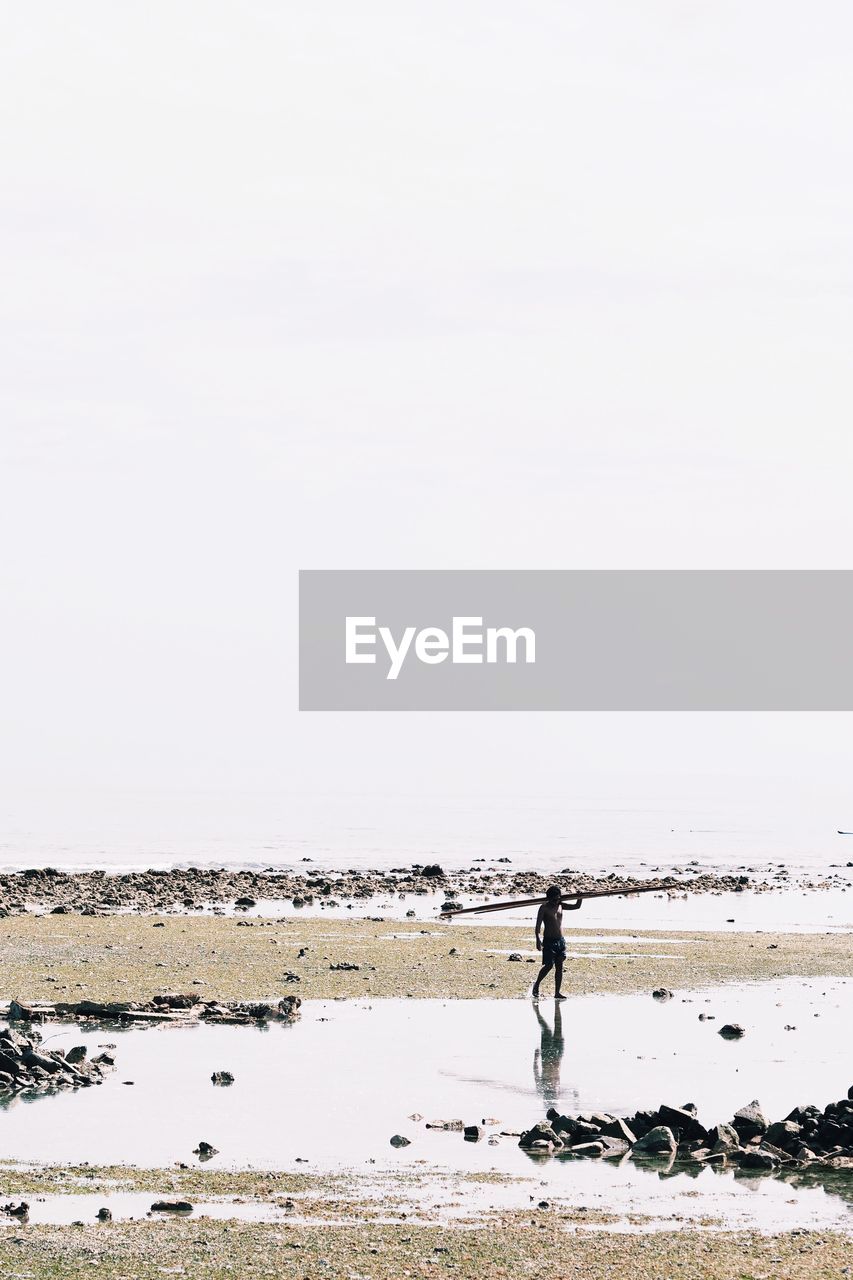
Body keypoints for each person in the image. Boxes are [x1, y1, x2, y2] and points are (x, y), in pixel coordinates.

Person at [531, 885, 581, 1000]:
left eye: (558, 899)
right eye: (554, 899)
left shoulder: (560, 905)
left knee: (559, 966)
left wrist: (580, 896)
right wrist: (538, 940)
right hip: (548, 941)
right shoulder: (544, 908)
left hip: (560, 940)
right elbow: (538, 926)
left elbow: (577, 906)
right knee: (548, 965)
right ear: (549, 898)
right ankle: (537, 984)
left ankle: (557, 992)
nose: (556, 901)